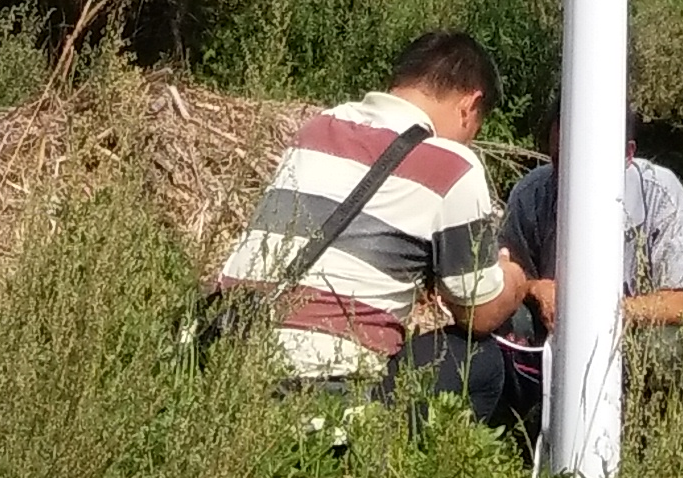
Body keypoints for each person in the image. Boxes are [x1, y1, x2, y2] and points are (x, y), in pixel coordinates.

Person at [212, 28, 525, 419]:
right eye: (475, 128)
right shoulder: (452, 163)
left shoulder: (318, 128)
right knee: (479, 362)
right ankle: (384, 465)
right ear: (470, 105)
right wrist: (513, 276)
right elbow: (479, 312)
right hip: (328, 389)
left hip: (232, 364)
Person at [488, 77, 683, 451]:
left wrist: (607, 314)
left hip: (633, 334)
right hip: (549, 335)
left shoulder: (660, 193)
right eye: (562, 159)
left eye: (587, 162)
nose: (573, 176)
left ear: (627, 154)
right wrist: (535, 288)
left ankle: (649, 445)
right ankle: (520, 438)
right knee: (504, 320)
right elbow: (506, 272)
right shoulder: (532, 193)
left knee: (668, 346)